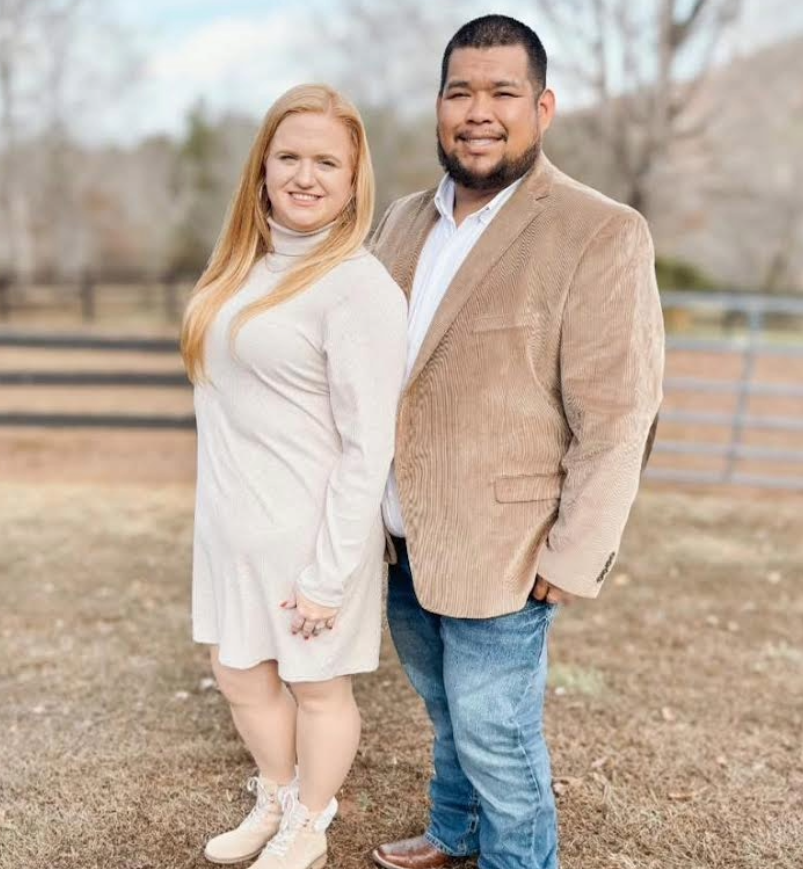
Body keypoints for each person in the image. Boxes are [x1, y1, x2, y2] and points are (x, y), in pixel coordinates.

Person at [369, 15, 664, 869]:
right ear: (438, 106)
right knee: (444, 708)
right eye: (460, 90)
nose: (478, 110)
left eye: (502, 91)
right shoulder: (397, 222)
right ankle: (451, 829)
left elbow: (619, 413)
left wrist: (577, 553)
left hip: (509, 544)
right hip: (397, 536)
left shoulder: (598, 230)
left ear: (543, 106)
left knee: (498, 735)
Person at [181, 84, 407, 869]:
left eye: (326, 162)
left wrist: (329, 571)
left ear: (352, 181)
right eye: (289, 157)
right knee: (237, 671)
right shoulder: (238, 269)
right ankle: (275, 796)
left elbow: (366, 442)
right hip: (230, 528)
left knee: (316, 687)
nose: (304, 175)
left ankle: (309, 822)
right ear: (262, 169)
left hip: (312, 533)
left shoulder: (357, 287)